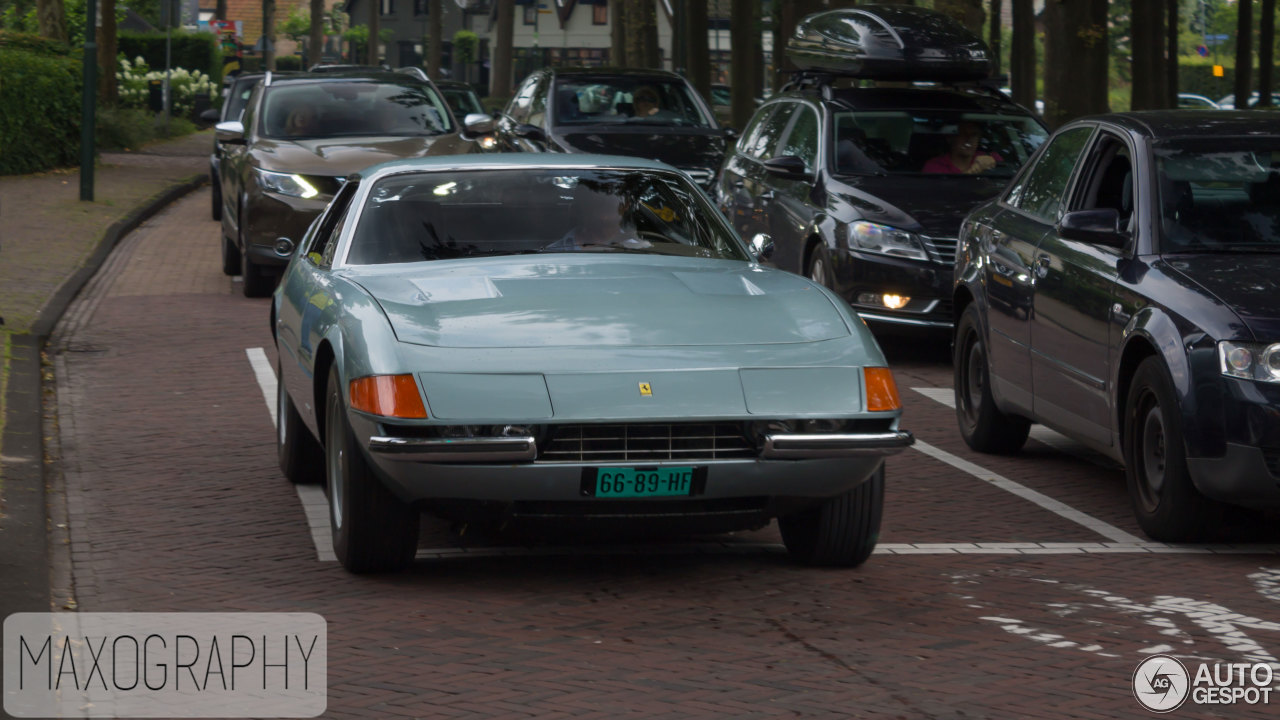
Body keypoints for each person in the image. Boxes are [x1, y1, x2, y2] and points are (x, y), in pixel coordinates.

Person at [923, 121, 1000, 174]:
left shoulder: (989, 156)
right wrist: (973, 172)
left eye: (974, 134)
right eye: (963, 134)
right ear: (950, 138)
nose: (969, 138)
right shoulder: (935, 166)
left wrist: (993, 162)